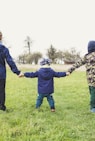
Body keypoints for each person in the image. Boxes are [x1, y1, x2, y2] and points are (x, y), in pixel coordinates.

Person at [68, 40, 95, 113]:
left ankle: (93, 107)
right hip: (92, 79)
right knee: (93, 94)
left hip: (90, 79)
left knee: (93, 93)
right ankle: (93, 107)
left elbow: (77, 64)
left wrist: (70, 70)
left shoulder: (86, 57)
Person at [0, 31, 21, 111]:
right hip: (1, 74)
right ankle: (1, 106)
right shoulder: (4, 48)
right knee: (1, 90)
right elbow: (10, 61)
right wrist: (17, 72)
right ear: (1, 37)